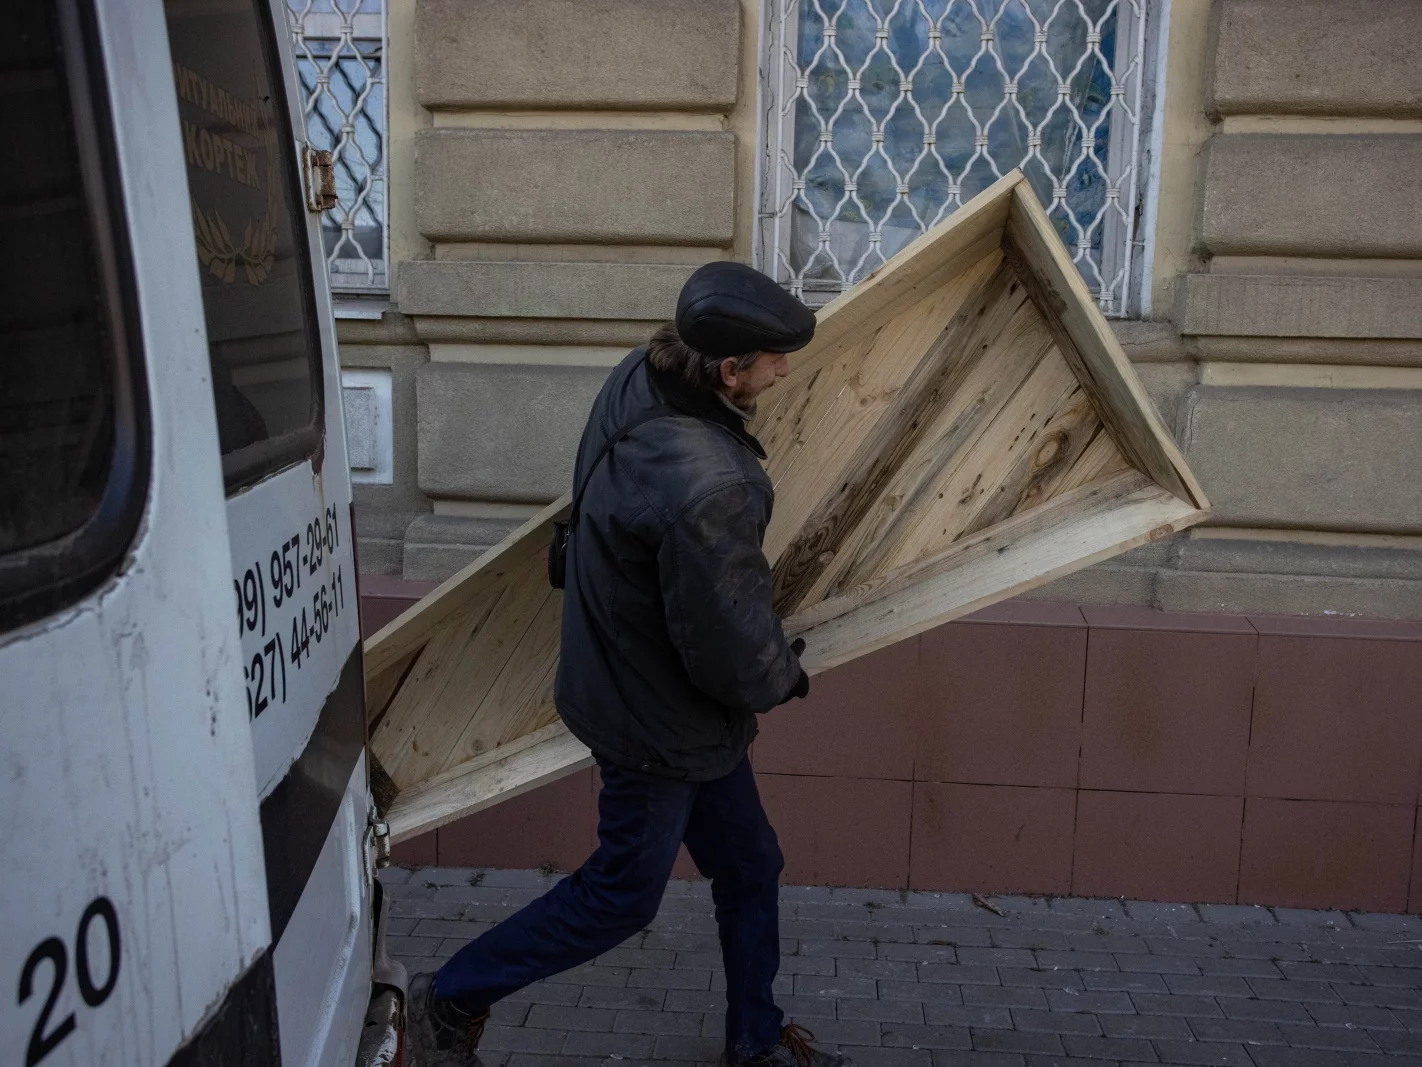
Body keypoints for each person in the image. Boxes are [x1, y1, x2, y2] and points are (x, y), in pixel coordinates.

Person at [407, 262, 848, 1067]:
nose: (785, 370)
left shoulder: (643, 372)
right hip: (656, 719)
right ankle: (448, 998)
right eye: (773, 359)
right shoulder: (710, 481)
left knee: (751, 863)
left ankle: (754, 1038)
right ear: (728, 370)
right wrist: (782, 674)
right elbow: (729, 643)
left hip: (642, 683)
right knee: (620, 894)